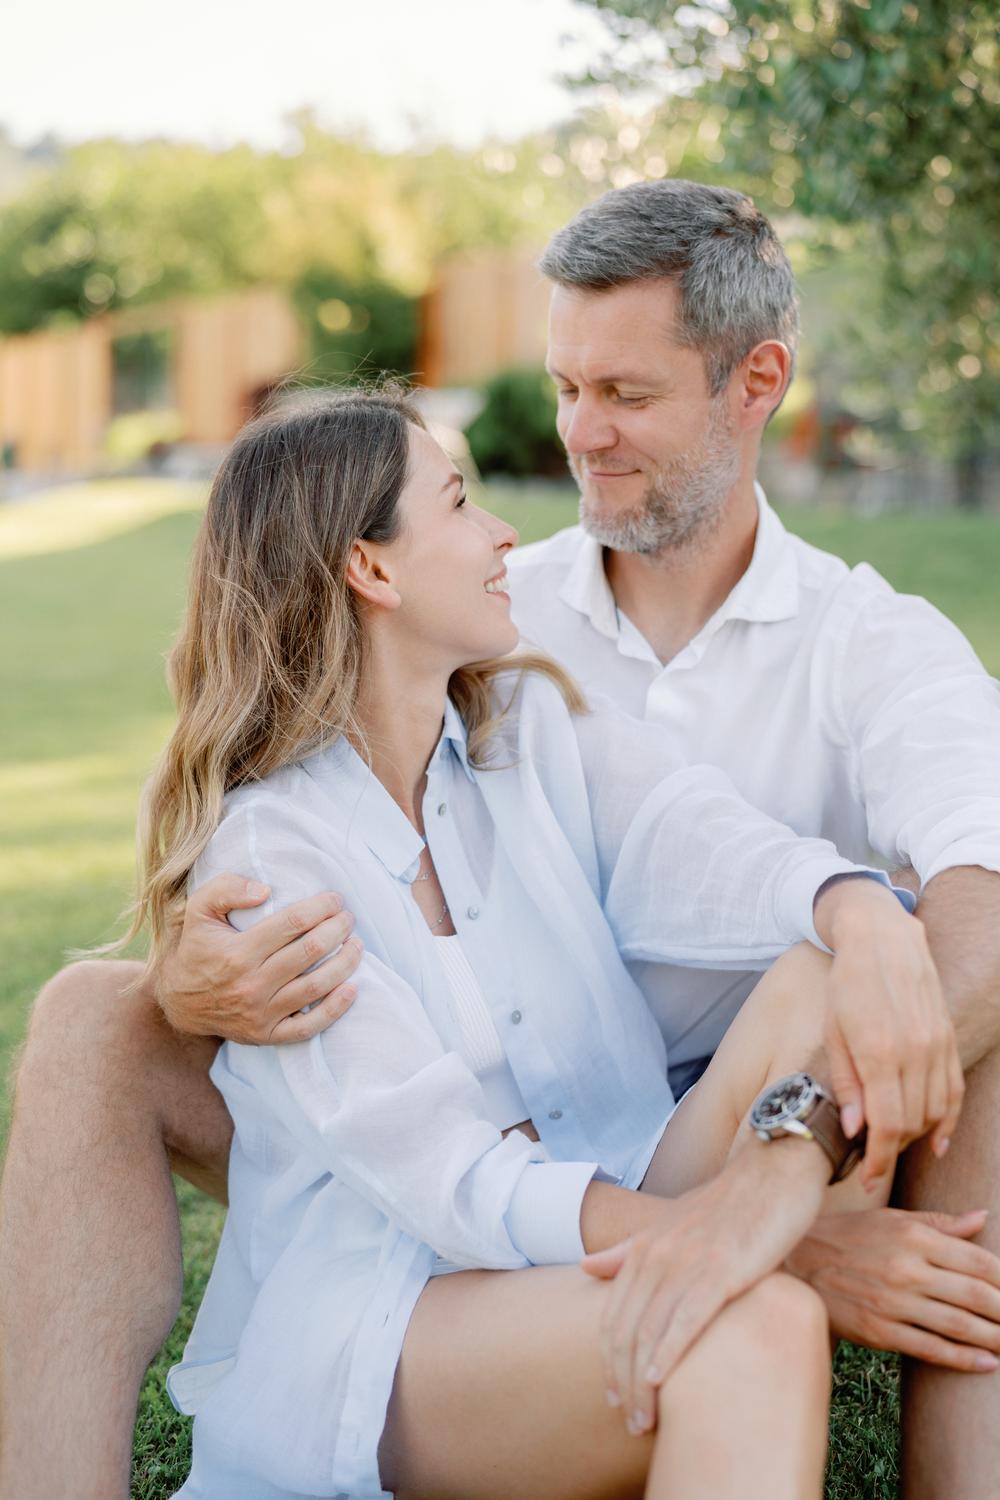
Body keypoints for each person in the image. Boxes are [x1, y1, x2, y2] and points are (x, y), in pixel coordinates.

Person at [2, 179, 999, 1499]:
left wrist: (861, 916)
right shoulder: (486, 632)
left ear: (756, 382)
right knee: (88, 1013)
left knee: (867, 984)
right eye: (564, 388)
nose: (574, 444)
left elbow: (720, 848)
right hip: (450, 1182)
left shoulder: (809, 654)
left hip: (718, 1116)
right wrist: (196, 974)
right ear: (371, 572)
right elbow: (439, 1156)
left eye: (625, 396)